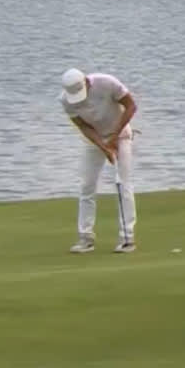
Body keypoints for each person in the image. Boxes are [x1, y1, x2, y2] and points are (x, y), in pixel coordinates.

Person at [59, 67, 139, 252]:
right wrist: (104, 147)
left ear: (87, 82)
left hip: (121, 133)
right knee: (87, 185)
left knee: (122, 183)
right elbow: (83, 127)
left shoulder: (107, 83)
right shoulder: (65, 100)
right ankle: (86, 238)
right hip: (95, 139)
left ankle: (127, 238)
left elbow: (131, 106)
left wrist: (114, 137)